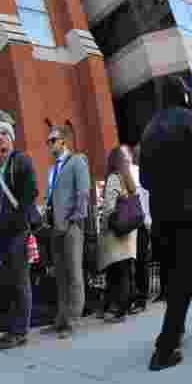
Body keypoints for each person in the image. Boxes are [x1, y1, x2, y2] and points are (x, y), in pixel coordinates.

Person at [139, 75, 192, 371]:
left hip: (161, 214)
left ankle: (174, 330)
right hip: (188, 212)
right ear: (183, 96)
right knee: (184, 278)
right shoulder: (190, 121)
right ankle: (166, 347)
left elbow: (144, 179)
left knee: (172, 277)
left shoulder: (149, 129)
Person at [0, 121, 38, 350]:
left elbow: (31, 192)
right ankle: (10, 329)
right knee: (8, 282)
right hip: (2, 232)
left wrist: (20, 219)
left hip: (17, 230)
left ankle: (21, 332)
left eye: (3, 134)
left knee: (20, 281)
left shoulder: (21, 160)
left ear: (11, 137)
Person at [41, 125, 91, 339]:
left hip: (71, 226)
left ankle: (72, 320)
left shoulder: (77, 161)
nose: (50, 144)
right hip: (55, 227)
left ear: (63, 141)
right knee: (60, 275)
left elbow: (83, 192)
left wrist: (75, 219)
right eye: (48, 141)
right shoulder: (52, 169)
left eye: (53, 140)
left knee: (74, 273)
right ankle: (61, 318)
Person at [98, 146, 139, 322]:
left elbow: (108, 207)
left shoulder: (114, 178)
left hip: (116, 232)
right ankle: (122, 306)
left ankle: (119, 310)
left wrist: (104, 226)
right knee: (125, 271)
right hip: (129, 232)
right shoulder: (128, 179)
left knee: (117, 272)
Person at [130, 144, 152, 313]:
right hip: (144, 221)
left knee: (138, 261)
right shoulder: (144, 173)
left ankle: (140, 297)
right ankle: (142, 296)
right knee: (142, 261)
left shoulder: (133, 173)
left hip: (137, 222)